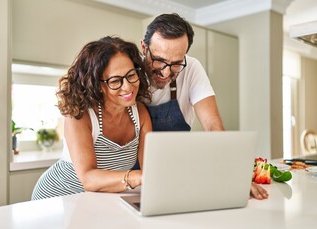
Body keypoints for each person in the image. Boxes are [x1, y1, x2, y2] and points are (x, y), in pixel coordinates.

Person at [139, 13, 268, 200]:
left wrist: (234, 175)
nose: (166, 72)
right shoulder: (129, 69)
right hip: (133, 175)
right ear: (144, 48)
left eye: (176, 63)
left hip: (178, 171)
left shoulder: (192, 68)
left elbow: (213, 126)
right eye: (159, 60)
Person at [31, 36, 152, 200]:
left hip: (98, 200)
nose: (128, 86)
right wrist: (136, 177)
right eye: (115, 81)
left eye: (131, 75)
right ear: (98, 85)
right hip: (57, 198)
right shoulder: (80, 116)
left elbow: (150, 169)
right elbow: (88, 178)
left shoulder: (140, 113)